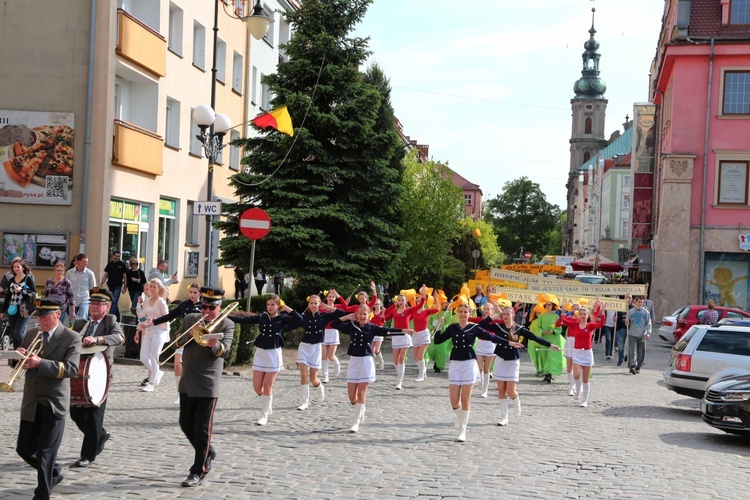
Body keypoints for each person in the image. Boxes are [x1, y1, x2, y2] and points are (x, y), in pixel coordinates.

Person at [15, 298, 81, 500]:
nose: (41, 320)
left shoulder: (71, 337)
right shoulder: (31, 333)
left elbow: (71, 369)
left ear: (58, 314)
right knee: (24, 449)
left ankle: (42, 494)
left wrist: (40, 363)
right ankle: (55, 472)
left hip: (54, 402)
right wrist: (17, 356)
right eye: (39, 316)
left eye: (45, 316)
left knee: (45, 454)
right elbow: (19, 364)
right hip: (32, 402)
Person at [433, 303, 523, 442]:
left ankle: (462, 429)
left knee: (465, 399)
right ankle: (459, 417)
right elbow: (438, 340)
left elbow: (491, 337)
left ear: (470, 314)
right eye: (461, 312)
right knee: (454, 402)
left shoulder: (474, 328)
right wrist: (439, 326)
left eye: (466, 312)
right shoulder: (452, 327)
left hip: (469, 365)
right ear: (458, 313)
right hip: (455, 365)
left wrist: (509, 342)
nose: (463, 314)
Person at [173, 286, 234, 487]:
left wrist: (214, 344)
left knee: (202, 429)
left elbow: (226, 353)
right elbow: (177, 343)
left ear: (219, 306)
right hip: (188, 381)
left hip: (208, 384)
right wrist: (189, 334)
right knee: (184, 423)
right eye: (204, 306)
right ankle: (208, 451)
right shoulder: (191, 319)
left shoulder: (226, 324)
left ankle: (198, 470)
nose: (207, 311)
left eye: (211, 307)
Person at [331, 305, 414, 433]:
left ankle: (356, 421)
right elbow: (334, 324)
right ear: (357, 315)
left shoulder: (372, 328)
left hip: (366, 361)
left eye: (365, 314)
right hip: (353, 362)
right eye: (360, 314)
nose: (362, 316)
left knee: (361, 393)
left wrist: (405, 330)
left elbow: (387, 331)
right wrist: (347, 317)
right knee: (352, 397)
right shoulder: (351, 326)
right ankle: (360, 408)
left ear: (368, 315)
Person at [69, 288, 125, 468]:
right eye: (92, 303)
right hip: (80, 374)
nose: (94, 306)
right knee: (76, 414)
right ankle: (100, 435)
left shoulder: (110, 321)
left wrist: (98, 339)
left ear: (107, 307)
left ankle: (87, 455)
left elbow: (119, 337)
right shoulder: (80, 323)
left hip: (101, 375)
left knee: (94, 416)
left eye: (98, 304)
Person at [481, 305, 560, 426]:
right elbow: (481, 326)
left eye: (508, 314)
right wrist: (493, 316)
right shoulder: (498, 327)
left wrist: (550, 345)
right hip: (500, 360)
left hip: (513, 362)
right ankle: (504, 417)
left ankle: (516, 401)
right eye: (504, 314)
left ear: (513, 315)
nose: (506, 316)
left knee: (511, 391)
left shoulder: (519, 329)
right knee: (501, 391)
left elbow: (535, 337)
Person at [230, 295, 303, 426]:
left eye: (273, 305)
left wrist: (287, 308)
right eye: (268, 304)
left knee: (267, 385)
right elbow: (245, 319)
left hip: (273, 354)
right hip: (261, 353)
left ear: (278, 306)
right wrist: (226, 317)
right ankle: (267, 403)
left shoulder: (283, 318)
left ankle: (264, 415)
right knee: (258, 388)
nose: (270, 307)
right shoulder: (262, 317)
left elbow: (299, 319)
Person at [141, 283, 202, 404]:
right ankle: (180, 394)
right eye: (191, 292)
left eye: (195, 292)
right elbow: (169, 316)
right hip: (184, 336)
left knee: (195, 367)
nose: (192, 295)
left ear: (200, 294)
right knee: (177, 364)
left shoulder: (204, 305)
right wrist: (151, 323)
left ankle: (196, 393)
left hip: (199, 337)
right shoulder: (184, 304)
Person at [296, 294, 345, 410]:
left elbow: (341, 313)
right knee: (303, 374)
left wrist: (328, 307)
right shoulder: (304, 317)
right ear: (308, 304)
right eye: (311, 303)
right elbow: (292, 319)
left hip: (317, 347)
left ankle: (320, 387)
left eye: (315, 303)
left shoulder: (324, 316)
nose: (313, 305)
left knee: (313, 379)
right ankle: (304, 401)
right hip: (304, 346)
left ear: (319, 304)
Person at [557, 299, 604, 407]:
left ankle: (585, 400)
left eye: (584, 314)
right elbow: (562, 322)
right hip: (577, 353)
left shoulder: (590, 326)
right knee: (577, 375)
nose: (582, 316)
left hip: (587, 353)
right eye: (581, 314)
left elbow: (601, 323)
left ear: (587, 315)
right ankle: (577, 390)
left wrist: (602, 312)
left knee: (585, 379)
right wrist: (562, 314)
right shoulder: (575, 324)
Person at [134, 279, 169, 392]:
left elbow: (166, 318)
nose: (152, 289)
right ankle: (157, 372)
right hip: (148, 331)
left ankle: (152, 383)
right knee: (143, 357)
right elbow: (142, 317)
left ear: (159, 288)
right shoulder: (147, 301)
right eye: (151, 287)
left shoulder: (161, 302)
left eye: (154, 287)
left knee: (154, 357)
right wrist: (138, 329)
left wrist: (154, 321)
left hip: (159, 331)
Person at [384, 292, 423, 389]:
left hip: (405, 336)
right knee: (395, 361)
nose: (401, 302)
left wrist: (423, 294)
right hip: (396, 336)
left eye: (402, 300)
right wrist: (382, 312)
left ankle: (399, 382)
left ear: (406, 301)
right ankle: (399, 376)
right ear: (397, 301)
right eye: (399, 300)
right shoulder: (394, 311)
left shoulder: (408, 311)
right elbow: (385, 318)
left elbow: (420, 305)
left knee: (401, 358)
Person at [1, 258, 37, 349]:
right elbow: (8, 296)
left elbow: (34, 294)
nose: (16, 269)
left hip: (24, 309)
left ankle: (28, 349)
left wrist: (23, 289)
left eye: (18, 267)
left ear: (23, 268)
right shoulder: (11, 280)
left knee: (18, 332)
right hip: (13, 308)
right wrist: (3, 311)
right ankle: (17, 355)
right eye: (14, 267)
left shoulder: (28, 279)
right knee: (13, 333)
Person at [410, 287, 440, 382]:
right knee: (416, 358)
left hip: (424, 334)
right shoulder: (413, 312)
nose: (419, 302)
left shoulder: (426, 311)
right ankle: (423, 370)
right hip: (415, 334)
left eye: (420, 300)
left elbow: (438, 309)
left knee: (420, 356)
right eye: (417, 300)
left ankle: (421, 375)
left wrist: (436, 298)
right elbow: (406, 318)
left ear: (424, 301)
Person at [625, 296, 652, 375]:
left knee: (641, 351)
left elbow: (648, 323)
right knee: (632, 350)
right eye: (639, 302)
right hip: (632, 334)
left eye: (642, 302)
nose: (640, 303)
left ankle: (638, 366)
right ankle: (632, 365)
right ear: (635, 302)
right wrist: (626, 322)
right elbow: (627, 322)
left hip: (642, 335)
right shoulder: (630, 312)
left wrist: (648, 333)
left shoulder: (646, 312)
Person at [43, 262, 75, 326]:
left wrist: (73, 312)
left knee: (57, 326)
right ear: (55, 271)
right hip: (50, 308)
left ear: (64, 271)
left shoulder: (67, 282)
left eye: (61, 271)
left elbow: (71, 298)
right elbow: (45, 295)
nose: (60, 272)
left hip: (61, 309)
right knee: (49, 325)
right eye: (58, 270)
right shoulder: (49, 281)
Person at [66, 254, 97, 321]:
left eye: (87, 262)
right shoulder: (69, 273)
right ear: (78, 262)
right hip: (72, 301)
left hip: (84, 299)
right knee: (72, 321)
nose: (86, 264)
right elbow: (66, 287)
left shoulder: (90, 273)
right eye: (84, 262)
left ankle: (81, 331)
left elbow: (93, 288)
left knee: (82, 319)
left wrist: (92, 302)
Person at [99, 251, 127, 321]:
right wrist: (102, 283)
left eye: (118, 256)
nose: (117, 257)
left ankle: (109, 317)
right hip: (110, 285)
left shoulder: (122, 264)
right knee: (114, 301)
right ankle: (117, 317)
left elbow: (125, 276)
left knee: (114, 301)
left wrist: (125, 287)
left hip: (118, 286)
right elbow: (106, 274)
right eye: (116, 256)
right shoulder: (110, 264)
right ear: (113, 256)